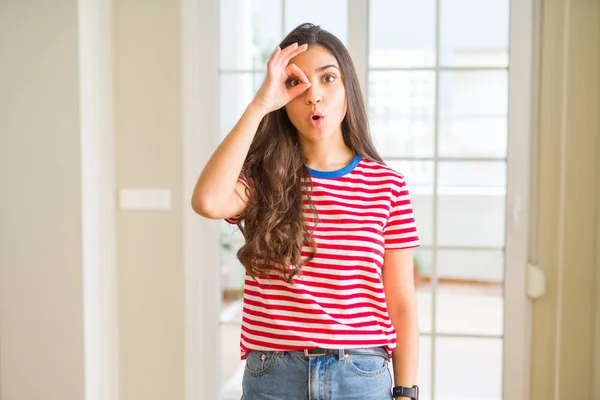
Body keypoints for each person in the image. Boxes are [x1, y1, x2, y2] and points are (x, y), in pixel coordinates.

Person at [192, 23, 420, 400]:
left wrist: (406, 392)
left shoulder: (387, 185)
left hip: (361, 375)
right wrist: (259, 105)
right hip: (273, 376)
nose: (314, 95)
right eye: (296, 84)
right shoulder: (261, 179)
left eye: (328, 78)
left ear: (348, 88)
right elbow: (207, 201)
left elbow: (401, 299)